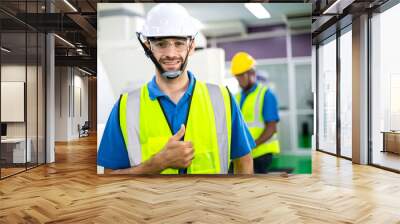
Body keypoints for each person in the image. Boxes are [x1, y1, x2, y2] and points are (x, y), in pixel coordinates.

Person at [97, 4, 254, 174]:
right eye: (161, 44)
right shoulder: (125, 108)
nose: (171, 53)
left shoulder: (222, 99)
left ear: (191, 46)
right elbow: (109, 177)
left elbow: (244, 162)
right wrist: (155, 164)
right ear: (148, 47)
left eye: (179, 43)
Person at [230, 52, 281, 173]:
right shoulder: (236, 97)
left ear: (252, 73)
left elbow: (271, 128)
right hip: (242, 153)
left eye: (241, 76)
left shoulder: (266, 95)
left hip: (261, 153)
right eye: (237, 76)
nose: (239, 80)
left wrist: (251, 145)